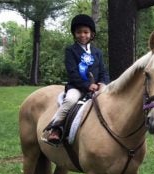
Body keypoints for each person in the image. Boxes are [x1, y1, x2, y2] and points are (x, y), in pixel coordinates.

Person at [46, 14, 109, 143]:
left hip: (97, 87)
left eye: (86, 32)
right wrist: (87, 85)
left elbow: (103, 71)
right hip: (77, 87)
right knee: (69, 100)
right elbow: (72, 73)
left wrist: (102, 83)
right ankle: (56, 127)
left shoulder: (97, 52)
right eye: (79, 32)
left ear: (91, 34)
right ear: (74, 34)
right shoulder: (71, 50)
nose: (82, 35)